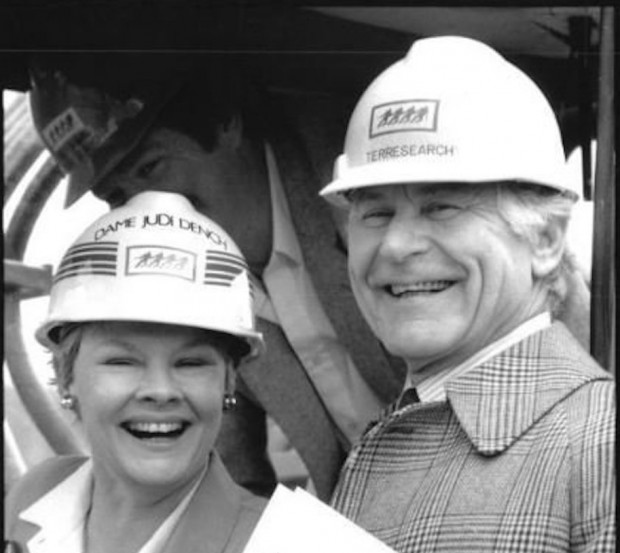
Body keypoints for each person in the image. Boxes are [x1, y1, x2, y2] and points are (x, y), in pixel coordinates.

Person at [26, 50, 591, 501]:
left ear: (225, 124)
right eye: (119, 195)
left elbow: (558, 318)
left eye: (152, 167)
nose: (149, 206)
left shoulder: (369, 173)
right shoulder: (189, 286)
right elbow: (225, 474)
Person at [320, 36, 615, 552]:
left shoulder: (601, 445)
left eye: (443, 206)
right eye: (375, 212)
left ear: (545, 239)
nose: (396, 244)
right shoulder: (384, 443)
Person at [4, 191, 267, 553]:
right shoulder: (34, 498)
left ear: (229, 380)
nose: (160, 390)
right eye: (121, 362)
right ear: (66, 375)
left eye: (190, 363)